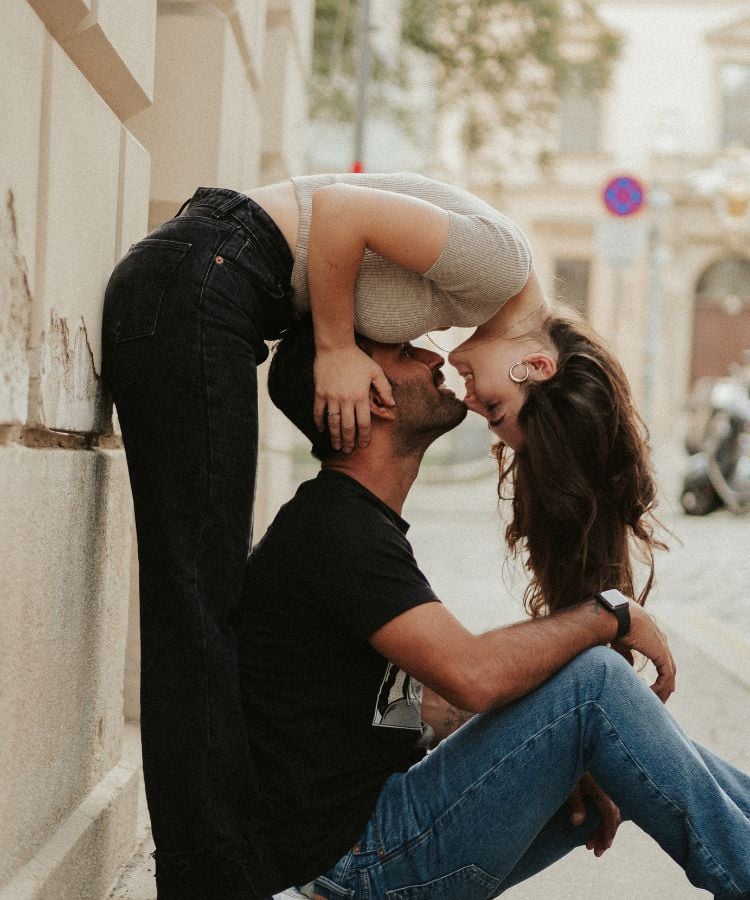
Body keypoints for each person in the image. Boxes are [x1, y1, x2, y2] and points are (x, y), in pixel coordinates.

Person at [100, 172, 540, 897]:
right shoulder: (500, 268)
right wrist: (336, 346)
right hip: (205, 278)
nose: (461, 378)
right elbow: (338, 207)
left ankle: (218, 870)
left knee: (203, 607)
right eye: (502, 408)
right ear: (537, 364)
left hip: (211, 280)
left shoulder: (481, 283)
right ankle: (207, 879)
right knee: (195, 614)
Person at [234, 316, 750, 899]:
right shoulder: (336, 528)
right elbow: (474, 677)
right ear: (366, 397)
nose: (436, 360)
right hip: (358, 864)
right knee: (597, 686)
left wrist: (570, 743)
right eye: (405, 353)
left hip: (375, 842)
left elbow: (420, 704)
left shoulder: (352, 522)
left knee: (635, 731)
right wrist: (610, 613)